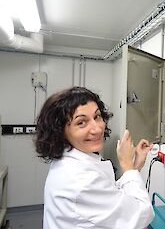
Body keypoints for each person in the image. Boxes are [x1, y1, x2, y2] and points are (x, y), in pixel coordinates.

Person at [35, 86, 154, 229]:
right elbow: (142, 215)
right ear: (60, 131)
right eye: (81, 122)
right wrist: (127, 164)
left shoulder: (72, 159)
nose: (97, 129)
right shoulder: (81, 180)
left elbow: (109, 193)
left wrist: (135, 166)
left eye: (97, 117)